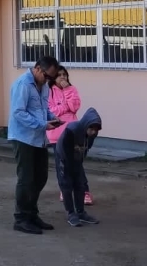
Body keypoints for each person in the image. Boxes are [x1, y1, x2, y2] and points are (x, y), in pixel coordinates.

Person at [8, 56, 63, 235]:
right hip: (23, 138)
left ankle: (32, 214)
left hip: (39, 137)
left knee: (40, 177)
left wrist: (52, 118)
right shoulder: (23, 84)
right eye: (47, 76)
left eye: (51, 78)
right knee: (26, 179)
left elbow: (43, 108)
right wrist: (41, 124)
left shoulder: (44, 85)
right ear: (38, 69)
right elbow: (18, 112)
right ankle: (21, 218)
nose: (49, 80)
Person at [47, 66, 90, 204]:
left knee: (77, 163)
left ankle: (84, 192)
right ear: (54, 77)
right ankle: (64, 190)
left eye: (64, 75)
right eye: (59, 75)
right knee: (61, 165)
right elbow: (51, 111)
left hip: (72, 133)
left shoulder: (72, 89)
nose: (62, 78)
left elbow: (74, 107)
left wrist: (67, 91)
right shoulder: (48, 91)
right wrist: (64, 107)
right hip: (56, 134)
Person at [55, 108, 102, 227]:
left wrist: (79, 163)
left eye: (96, 130)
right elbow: (66, 150)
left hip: (77, 159)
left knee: (80, 185)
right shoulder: (71, 130)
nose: (93, 132)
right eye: (91, 128)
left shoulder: (91, 135)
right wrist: (70, 167)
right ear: (85, 125)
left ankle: (81, 212)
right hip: (64, 159)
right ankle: (71, 213)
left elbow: (86, 149)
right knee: (67, 185)